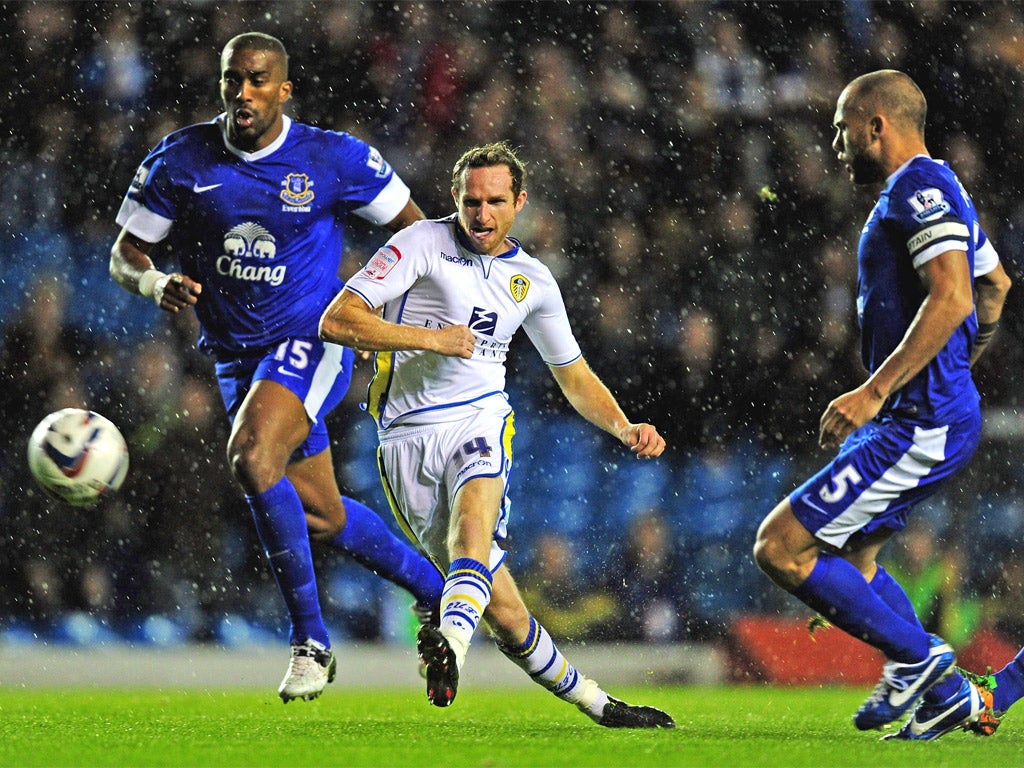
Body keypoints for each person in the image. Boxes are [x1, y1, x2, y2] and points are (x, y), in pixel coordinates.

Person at [109, 32, 444, 702]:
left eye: (259, 79)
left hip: (311, 341)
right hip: (237, 359)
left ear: (283, 89)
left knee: (253, 458)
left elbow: (419, 237)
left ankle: (311, 642)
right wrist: (153, 285)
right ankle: (439, 592)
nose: (244, 92)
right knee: (321, 513)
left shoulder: (331, 158)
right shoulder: (180, 159)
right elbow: (125, 254)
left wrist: (385, 320)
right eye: (234, 79)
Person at [318, 141, 674, 729]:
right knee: (505, 612)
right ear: (455, 199)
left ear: (520, 203)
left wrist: (623, 425)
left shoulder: (532, 280)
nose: (482, 214)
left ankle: (450, 645)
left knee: (473, 530)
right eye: (471, 201)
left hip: (480, 419)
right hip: (404, 437)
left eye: (495, 202)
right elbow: (339, 319)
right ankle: (595, 703)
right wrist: (433, 339)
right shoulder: (418, 244)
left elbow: (575, 375)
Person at [753, 69, 1011, 741]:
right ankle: (938, 686)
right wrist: (953, 367)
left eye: (842, 129)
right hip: (923, 413)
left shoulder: (919, 188)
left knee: (781, 548)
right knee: (855, 565)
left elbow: (956, 296)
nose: (836, 143)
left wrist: (879, 388)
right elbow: (995, 289)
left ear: (877, 126)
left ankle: (921, 660)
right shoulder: (942, 185)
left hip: (914, 422)